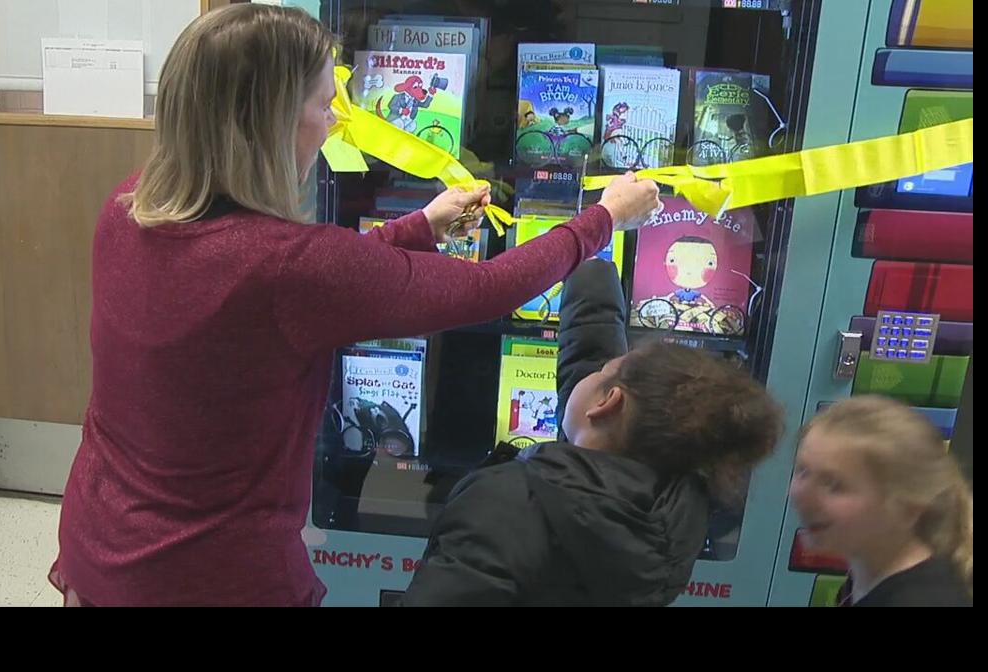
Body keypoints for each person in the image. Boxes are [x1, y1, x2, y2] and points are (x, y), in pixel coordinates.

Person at [49, 4, 662, 606]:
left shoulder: (128, 206)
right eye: (324, 103)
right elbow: (489, 289)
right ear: (273, 123)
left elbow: (289, 282)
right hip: (207, 572)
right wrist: (604, 218)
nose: (336, 119)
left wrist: (418, 226)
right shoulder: (293, 267)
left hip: (98, 536)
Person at [402, 259, 784, 606]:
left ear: (606, 404)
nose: (593, 370)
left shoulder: (506, 503)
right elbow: (587, 363)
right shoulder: (672, 512)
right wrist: (589, 262)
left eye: (603, 372)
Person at [790, 397, 972, 607]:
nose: (800, 495)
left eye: (834, 485)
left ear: (907, 509)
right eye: (803, 471)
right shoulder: (869, 575)